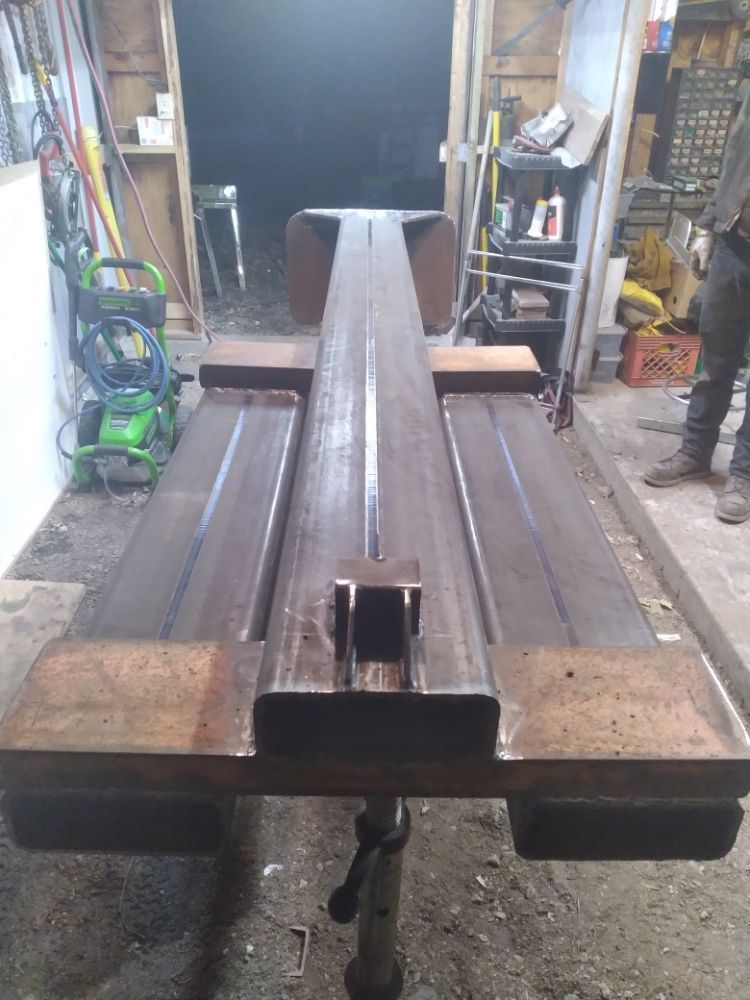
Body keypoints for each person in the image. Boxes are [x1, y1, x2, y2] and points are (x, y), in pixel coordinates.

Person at [644, 91, 750, 524]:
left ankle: (742, 477)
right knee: (715, 362)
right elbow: (734, 154)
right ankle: (695, 452)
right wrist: (710, 223)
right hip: (734, 240)